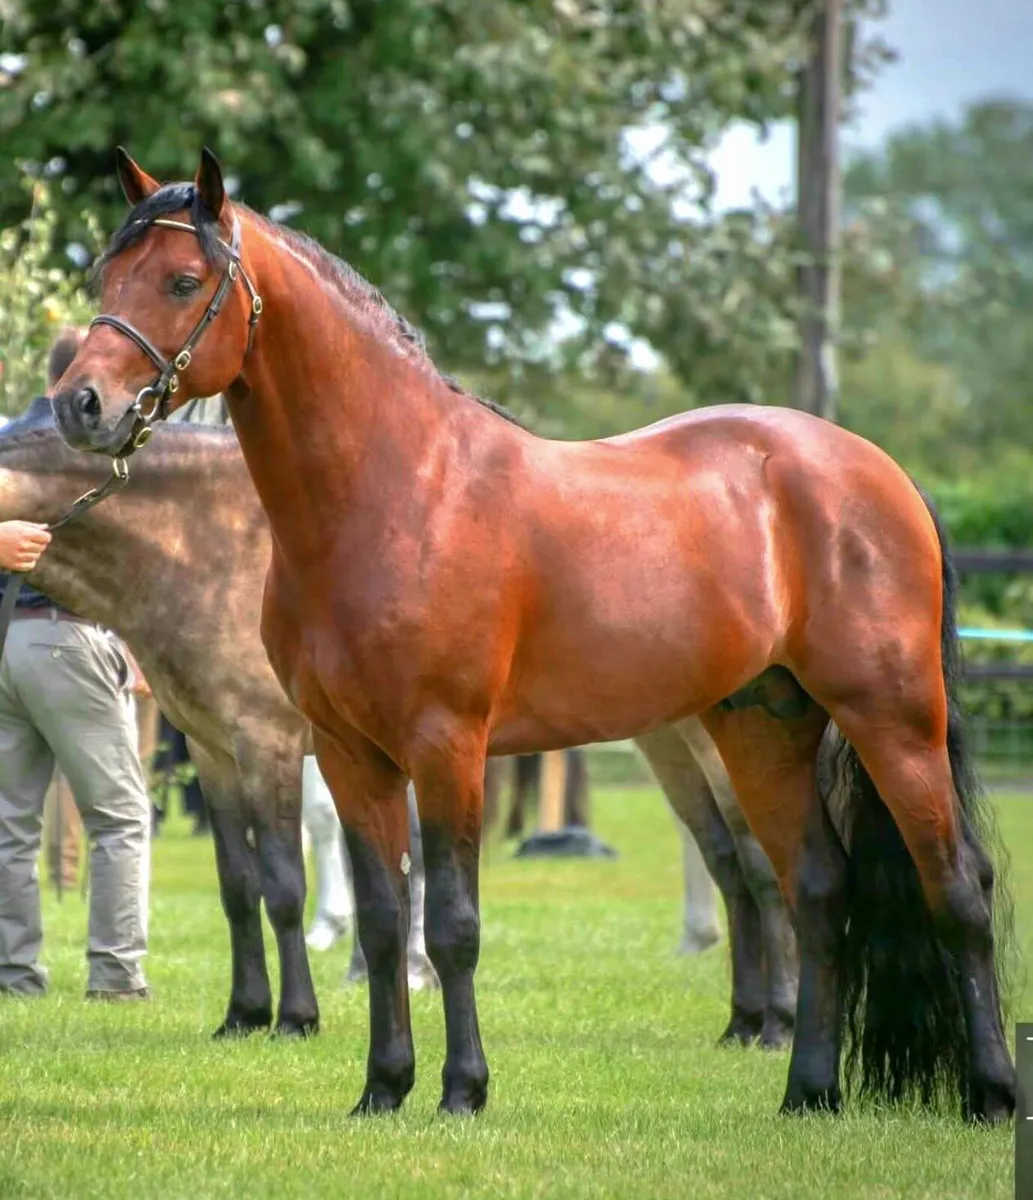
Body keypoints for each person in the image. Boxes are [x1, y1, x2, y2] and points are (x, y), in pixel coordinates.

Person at [0, 328, 152, 1000]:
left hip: (5, 640)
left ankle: (14, 975)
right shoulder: (87, 444)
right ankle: (115, 976)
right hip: (66, 639)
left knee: (9, 825)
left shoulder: (10, 437)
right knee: (119, 817)